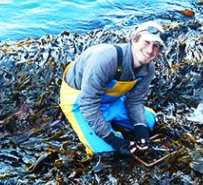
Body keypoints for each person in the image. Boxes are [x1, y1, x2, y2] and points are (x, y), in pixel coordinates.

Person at [59, 21, 166, 157]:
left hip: (111, 100)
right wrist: (113, 140)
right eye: (146, 42)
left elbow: (135, 101)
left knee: (149, 123)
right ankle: (99, 127)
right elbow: (87, 104)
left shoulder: (148, 68)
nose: (150, 50)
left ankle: (109, 119)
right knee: (106, 151)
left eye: (156, 46)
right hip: (79, 102)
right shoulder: (105, 59)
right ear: (134, 40)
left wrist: (141, 131)